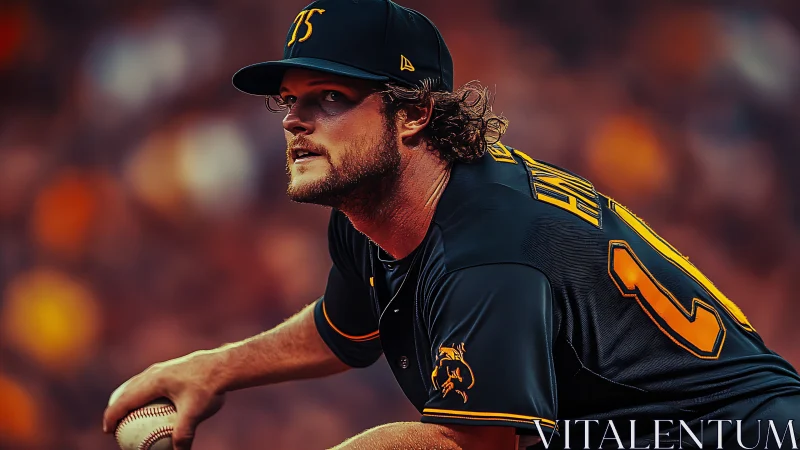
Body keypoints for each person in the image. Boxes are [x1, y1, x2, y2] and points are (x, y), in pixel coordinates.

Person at [103, 1, 800, 449]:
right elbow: (347, 332)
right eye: (289, 102)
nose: (293, 120)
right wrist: (212, 369)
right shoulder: (371, 208)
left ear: (413, 114)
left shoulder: (488, 251)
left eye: (331, 98)